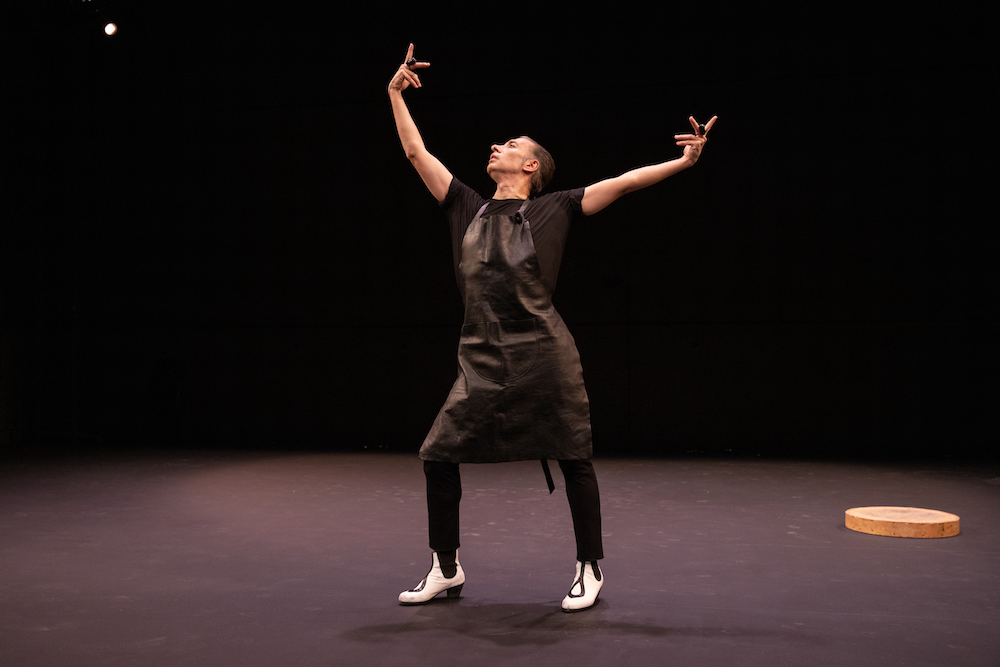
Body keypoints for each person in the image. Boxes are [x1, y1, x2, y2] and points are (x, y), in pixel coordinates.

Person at [388, 44, 716, 612]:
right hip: (482, 357)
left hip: (543, 352)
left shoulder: (558, 207)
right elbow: (416, 151)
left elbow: (627, 181)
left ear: (531, 165)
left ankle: (589, 567)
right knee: (438, 454)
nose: (496, 147)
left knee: (573, 455)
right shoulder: (464, 205)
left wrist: (684, 163)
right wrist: (393, 92)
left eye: (510, 145)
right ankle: (446, 567)